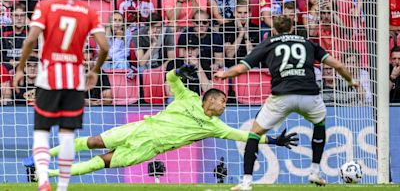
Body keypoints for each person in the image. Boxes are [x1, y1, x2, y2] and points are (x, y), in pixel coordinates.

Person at [23, 65, 298, 177]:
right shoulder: (188, 97)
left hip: (149, 148)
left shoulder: (215, 127)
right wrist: (178, 70)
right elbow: (170, 78)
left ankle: (47, 174)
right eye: (223, 101)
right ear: (210, 99)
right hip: (143, 126)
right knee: (93, 141)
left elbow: (245, 136)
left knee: (102, 162)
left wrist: (273, 139)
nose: (225, 106)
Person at [214, 15, 359, 190]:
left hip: (282, 96)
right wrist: (351, 81)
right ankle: (314, 171)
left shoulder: (269, 42)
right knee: (319, 123)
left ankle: (246, 182)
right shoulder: (308, 43)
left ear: (273, 30)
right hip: (309, 96)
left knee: (254, 134)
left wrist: (224, 74)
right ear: (292, 28)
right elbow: (339, 65)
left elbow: (242, 68)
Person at [13, 0, 109, 191]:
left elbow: (30, 40)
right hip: (74, 79)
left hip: (48, 78)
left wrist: (20, 68)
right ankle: (62, 187)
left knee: (41, 131)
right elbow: (104, 46)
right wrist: (94, 70)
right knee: (67, 135)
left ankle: (43, 180)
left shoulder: (46, 5)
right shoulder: (89, 11)